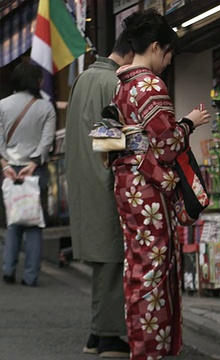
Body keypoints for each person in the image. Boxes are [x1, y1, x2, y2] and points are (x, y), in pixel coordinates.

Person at [110, 10, 210, 359]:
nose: (168, 63)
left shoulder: (121, 85)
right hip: (148, 186)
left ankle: (142, 344)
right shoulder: (149, 85)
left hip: (127, 182)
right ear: (155, 47)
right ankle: (153, 350)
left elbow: (111, 139)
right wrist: (189, 122)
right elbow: (166, 145)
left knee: (138, 267)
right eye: (168, 54)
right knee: (155, 267)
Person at [65, 30, 135, 357]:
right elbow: (110, 144)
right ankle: (109, 335)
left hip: (82, 180)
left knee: (101, 262)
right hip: (105, 182)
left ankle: (96, 333)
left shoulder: (84, 78)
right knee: (111, 260)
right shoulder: (113, 83)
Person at [0, 62, 56, 286]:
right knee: (34, 223)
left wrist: (4, 164)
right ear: (36, 81)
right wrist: (33, 163)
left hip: (10, 169)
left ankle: (8, 268)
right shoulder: (46, 108)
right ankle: (31, 275)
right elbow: (47, 140)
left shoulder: (2, 105)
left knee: (14, 220)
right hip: (35, 170)